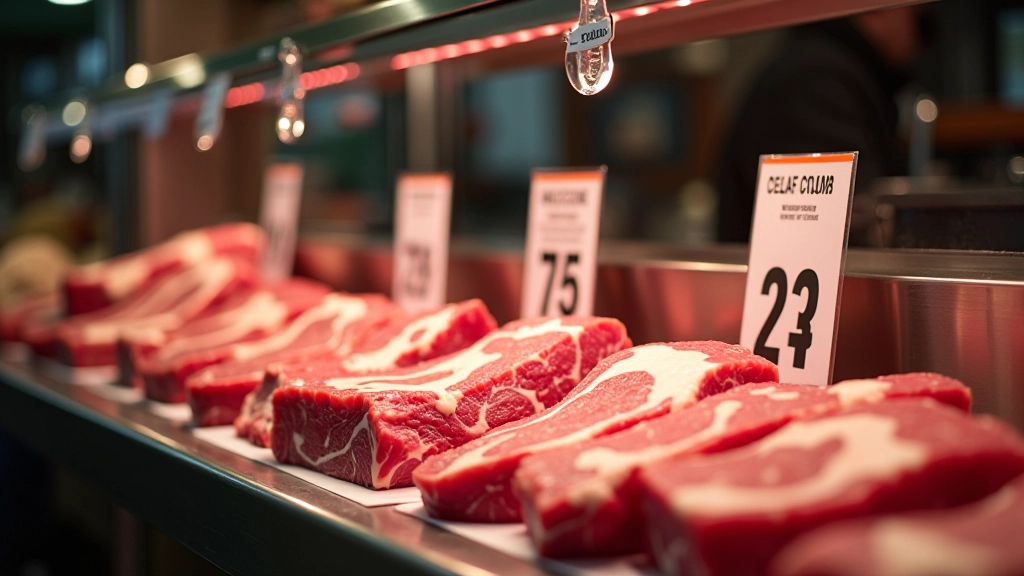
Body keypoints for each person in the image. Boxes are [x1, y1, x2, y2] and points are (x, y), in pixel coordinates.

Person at [716, 7, 930, 243]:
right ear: (876, 10)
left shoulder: (821, 68)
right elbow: (846, 232)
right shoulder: (815, 80)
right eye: (915, 12)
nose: (920, 34)